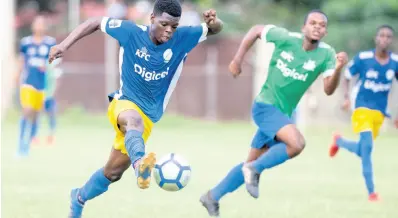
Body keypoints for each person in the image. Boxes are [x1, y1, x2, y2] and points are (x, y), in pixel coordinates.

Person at [48, 0, 223, 217]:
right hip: (124, 103)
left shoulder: (183, 38)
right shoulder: (131, 32)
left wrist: (215, 22)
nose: (169, 31)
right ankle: (141, 165)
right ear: (152, 18)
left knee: (112, 173)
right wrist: (64, 45)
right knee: (134, 121)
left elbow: (214, 30)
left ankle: (79, 197)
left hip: (148, 119)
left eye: (174, 27)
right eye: (164, 24)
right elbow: (95, 22)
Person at [200, 10, 348, 217]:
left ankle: (212, 197)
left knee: (249, 164)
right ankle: (255, 170)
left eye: (322, 25)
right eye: (312, 23)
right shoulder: (286, 38)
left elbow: (329, 90)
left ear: (325, 31)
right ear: (303, 27)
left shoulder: (327, 54)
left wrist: (340, 68)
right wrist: (237, 59)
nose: (317, 27)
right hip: (265, 107)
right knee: (297, 144)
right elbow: (255, 30)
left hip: (281, 116)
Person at [330, 25, 398, 201]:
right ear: (376, 38)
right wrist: (346, 97)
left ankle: (339, 141)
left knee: (363, 149)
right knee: (367, 149)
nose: (384, 39)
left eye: (388, 36)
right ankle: (372, 193)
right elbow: (347, 75)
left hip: (379, 113)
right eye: (381, 35)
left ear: (391, 40)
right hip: (361, 108)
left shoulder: (395, 62)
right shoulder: (363, 58)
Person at [16, 15, 57, 156]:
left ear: (45, 27)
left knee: (35, 115)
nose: (39, 26)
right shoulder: (26, 43)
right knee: (27, 110)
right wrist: (17, 78)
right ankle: (21, 144)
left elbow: (55, 63)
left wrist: (49, 67)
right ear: (33, 26)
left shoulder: (50, 43)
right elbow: (21, 62)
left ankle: (28, 142)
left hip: (43, 85)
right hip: (28, 83)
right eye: (37, 23)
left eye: (42, 24)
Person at [31, 59, 63, 145]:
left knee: (52, 116)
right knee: (37, 117)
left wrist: (52, 95)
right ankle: (34, 136)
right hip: (40, 96)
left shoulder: (54, 70)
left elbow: (57, 83)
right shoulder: (39, 70)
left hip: (50, 97)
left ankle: (51, 136)